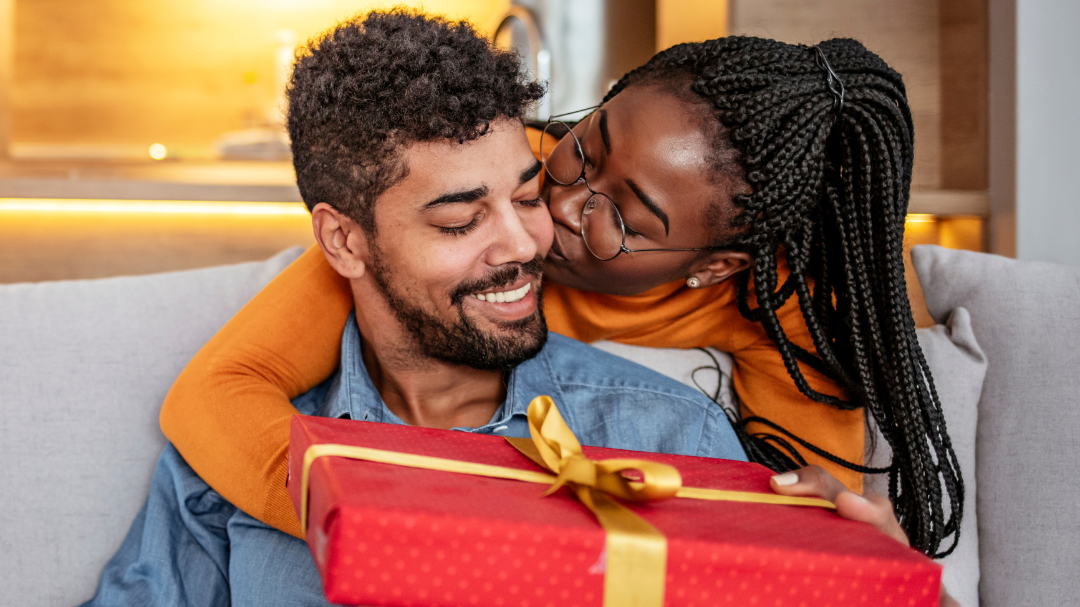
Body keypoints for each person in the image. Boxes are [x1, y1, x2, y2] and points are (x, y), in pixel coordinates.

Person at [159, 19, 962, 557]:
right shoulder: (498, 181)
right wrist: (382, 521)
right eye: (586, 148)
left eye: (623, 217)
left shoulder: (777, 308)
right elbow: (216, 394)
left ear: (715, 265)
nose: (553, 212)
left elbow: (800, 545)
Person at [81, 12, 750, 605]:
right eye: (461, 220)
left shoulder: (672, 438)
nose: (526, 242)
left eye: (524, 197)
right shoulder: (226, 456)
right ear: (344, 241)